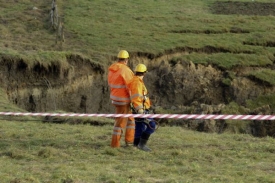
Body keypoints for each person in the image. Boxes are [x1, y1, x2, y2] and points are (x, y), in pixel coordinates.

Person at [108, 50, 135, 148]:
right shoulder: (125, 70)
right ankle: (115, 145)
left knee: (131, 119)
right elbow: (131, 87)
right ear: (126, 60)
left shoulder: (112, 69)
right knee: (120, 123)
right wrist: (134, 100)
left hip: (116, 99)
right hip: (124, 100)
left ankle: (129, 141)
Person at [127, 64, 156, 152]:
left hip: (138, 109)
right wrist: (140, 110)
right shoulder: (137, 82)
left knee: (139, 127)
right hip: (140, 110)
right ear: (144, 73)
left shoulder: (137, 81)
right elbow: (136, 97)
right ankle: (142, 144)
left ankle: (136, 145)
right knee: (152, 125)